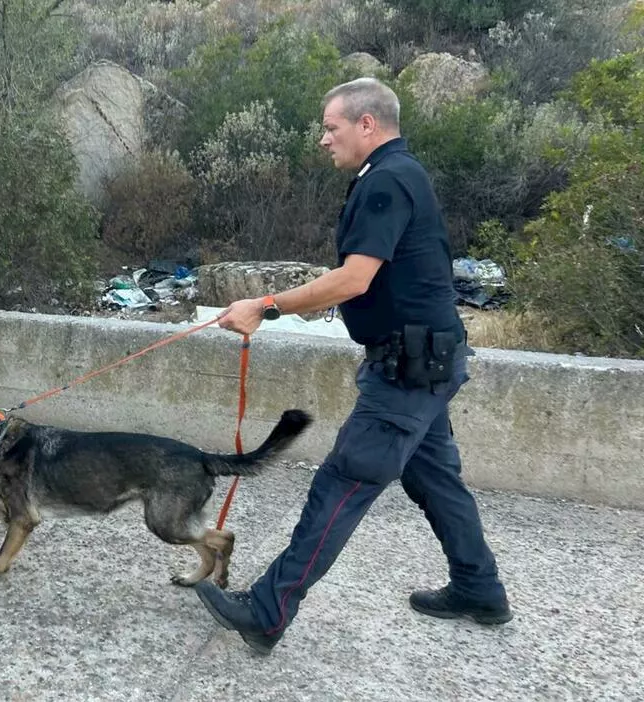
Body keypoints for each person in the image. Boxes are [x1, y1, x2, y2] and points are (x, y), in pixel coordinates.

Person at [193, 76, 511, 655]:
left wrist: (264, 305)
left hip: (409, 369)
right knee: (434, 477)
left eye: (330, 127)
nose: (322, 139)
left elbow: (353, 279)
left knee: (342, 482)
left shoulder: (387, 180)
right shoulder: (395, 174)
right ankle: (479, 588)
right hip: (431, 360)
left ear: (368, 124)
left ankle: (266, 612)